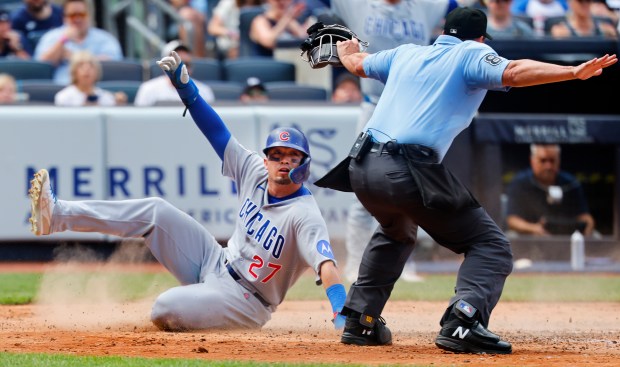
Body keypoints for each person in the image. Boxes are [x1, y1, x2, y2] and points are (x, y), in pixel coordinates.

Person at [314, 6, 616, 354]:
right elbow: (515, 71)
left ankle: (360, 320)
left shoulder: (408, 52)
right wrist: (573, 71)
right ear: (482, 38)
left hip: (360, 167)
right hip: (405, 167)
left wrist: (347, 52)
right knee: (492, 247)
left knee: (396, 232)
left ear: (443, 30)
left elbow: (357, 65)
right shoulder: (471, 52)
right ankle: (463, 321)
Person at [28, 49, 348, 332]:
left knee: (164, 308)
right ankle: (57, 216)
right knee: (155, 210)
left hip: (248, 300)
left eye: (291, 157)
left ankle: (202, 305)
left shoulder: (304, 216)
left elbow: (327, 267)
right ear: (266, 160)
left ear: (304, 164)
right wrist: (187, 89)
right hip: (216, 260)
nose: (282, 162)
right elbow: (217, 132)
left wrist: (341, 313)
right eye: (276, 155)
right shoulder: (254, 170)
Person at [331, 0, 470, 284]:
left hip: (415, 108)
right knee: (362, 186)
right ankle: (355, 264)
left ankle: (402, 265)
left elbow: (458, 9)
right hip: (374, 105)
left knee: (411, 189)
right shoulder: (359, 5)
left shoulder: (426, 6)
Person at [505, 144, 596, 236]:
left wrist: (587, 226)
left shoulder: (571, 184)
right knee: (511, 236)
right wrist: (533, 228)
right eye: (543, 161)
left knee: (595, 235)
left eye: (552, 161)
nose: (548, 166)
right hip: (531, 236)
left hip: (566, 235)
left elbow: (585, 216)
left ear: (559, 161)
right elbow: (512, 220)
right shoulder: (520, 183)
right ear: (532, 161)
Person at [34, 0, 123, 85]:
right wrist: (62, 41)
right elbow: (40, 67)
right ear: (64, 17)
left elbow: (114, 66)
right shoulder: (52, 37)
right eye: (72, 15)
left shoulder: (105, 38)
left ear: (89, 15)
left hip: (96, 92)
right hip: (60, 92)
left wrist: (75, 58)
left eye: (81, 14)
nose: (77, 19)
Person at [134, 40, 214, 106]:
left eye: (186, 64)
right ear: (165, 65)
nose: (182, 69)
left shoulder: (204, 91)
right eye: (177, 64)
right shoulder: (148, 89)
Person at [54, 50, 123, 106]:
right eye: (81, 66)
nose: (86, 69)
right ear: (74, 72)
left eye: (91, 66)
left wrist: (119, 106)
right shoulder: (63, 97)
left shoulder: (107, 98)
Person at [550, 0, 618, 38]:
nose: (585, 4)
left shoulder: (606, 29)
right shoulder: (561, 30)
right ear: (570, 2)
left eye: (588, 1)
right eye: (580, 1)